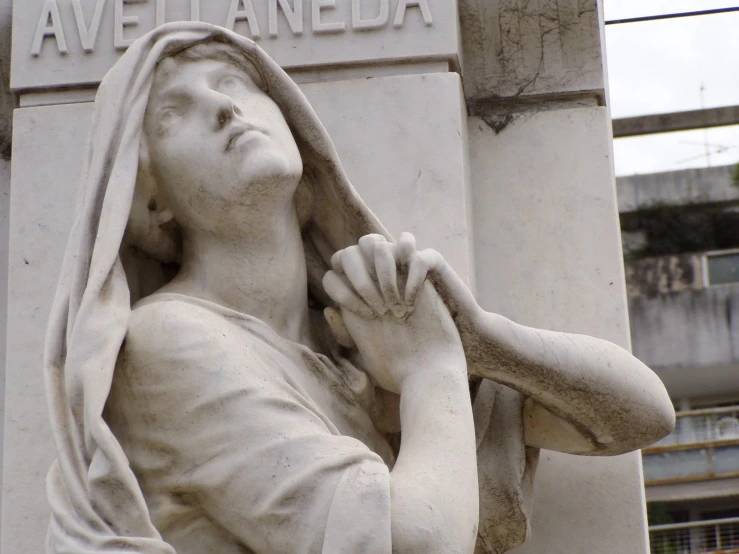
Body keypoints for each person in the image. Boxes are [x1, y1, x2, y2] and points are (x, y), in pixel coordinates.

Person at [43, 22, 675, 554]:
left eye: (233, 82)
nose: (223, 106)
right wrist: (432, 370)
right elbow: (411, 545)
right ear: (151, 204)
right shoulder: (165, 342)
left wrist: (478, 340)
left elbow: (641, 415)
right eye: (172, 114)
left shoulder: (357, 346)